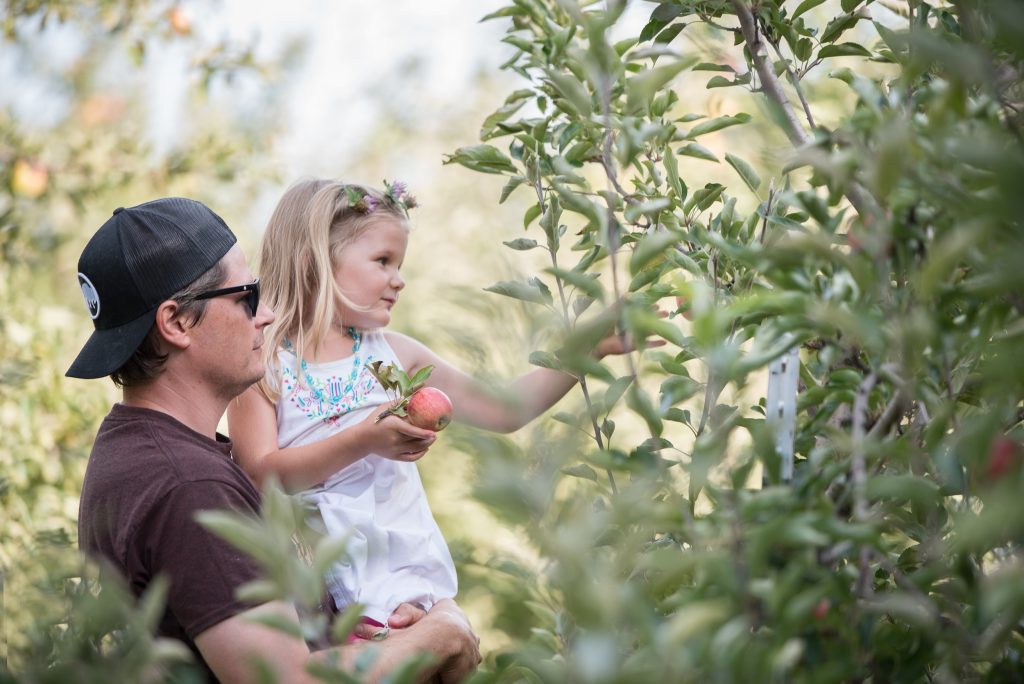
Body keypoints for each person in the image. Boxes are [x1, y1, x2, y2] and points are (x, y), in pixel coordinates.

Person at [68, 197, 481, 683]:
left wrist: (391, 636)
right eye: (247, 295)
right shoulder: (189, 486)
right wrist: (442, 635)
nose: (266, 314)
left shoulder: (139, 449)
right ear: (177, 323)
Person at [227, 179, 656, 629]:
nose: (400, 279)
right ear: (313, 262)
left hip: (404, 584)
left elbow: (502, 409)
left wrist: (590, 348)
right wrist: (363, 440)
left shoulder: (393, 353)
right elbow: (259, 474)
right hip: (316, 591)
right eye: (383, 261)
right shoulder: (263, 363)